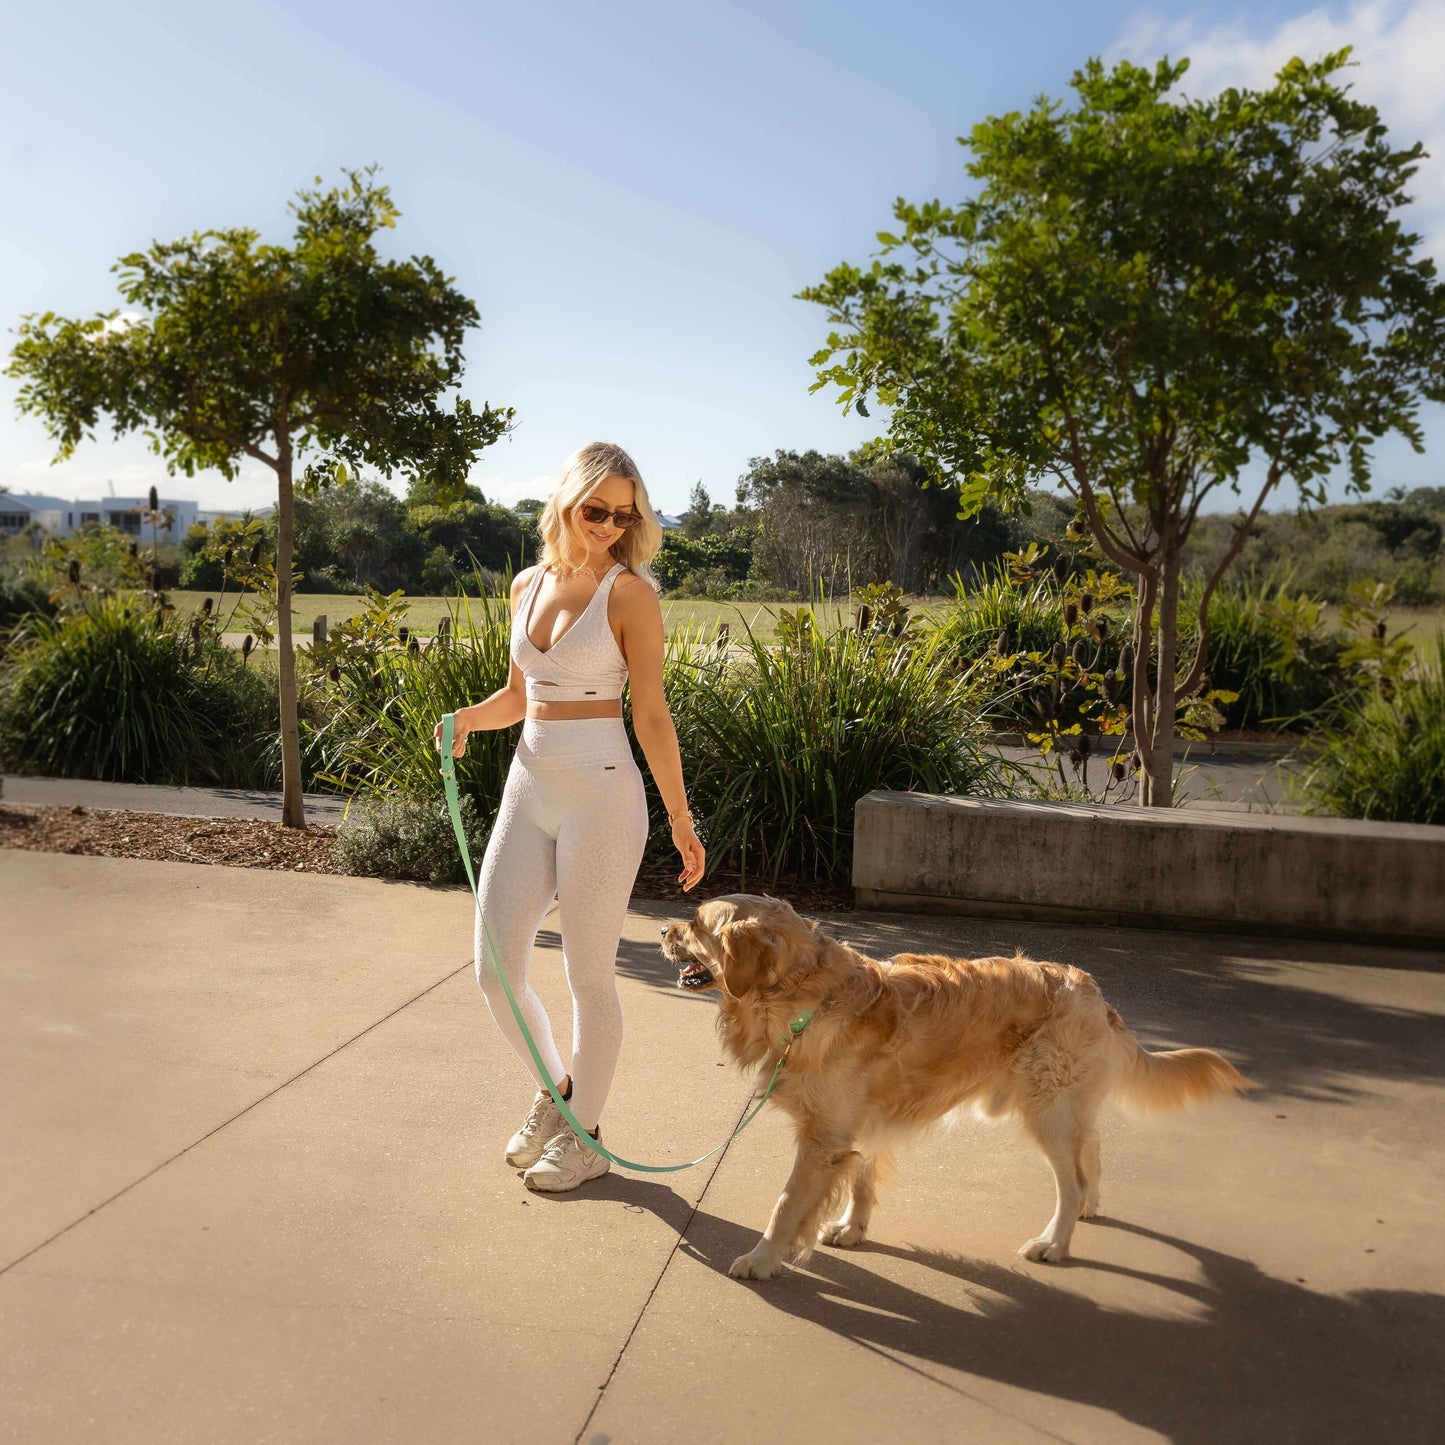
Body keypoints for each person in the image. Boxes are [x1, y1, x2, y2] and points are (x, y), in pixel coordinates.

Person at [434, 441, 705, 1193]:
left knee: (589, 974)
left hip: (604, 792)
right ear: (565, 501)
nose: (610, 525)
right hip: (530, 785)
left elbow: (650, 713)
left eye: (625, 514)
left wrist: (681, 819)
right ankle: (559, 1094)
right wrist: (464, 719)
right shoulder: (525, 583)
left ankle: (587, 1138)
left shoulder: (630, 595)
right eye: (597, 509)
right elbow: (520, 696)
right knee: (494, 971)